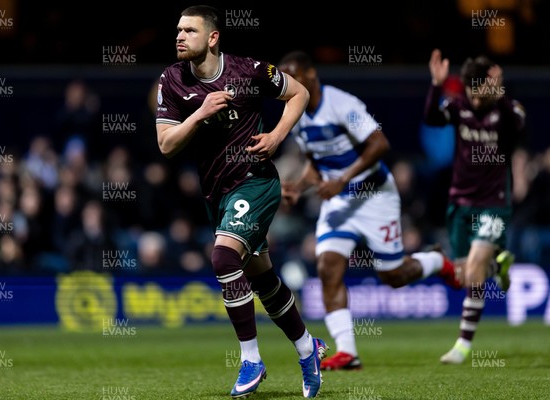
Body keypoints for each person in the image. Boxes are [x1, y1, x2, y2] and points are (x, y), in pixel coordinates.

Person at [155, 6, 327, 398]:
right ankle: (307, 348)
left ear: (212, 38)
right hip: (216, 192)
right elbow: (165, 144)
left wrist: (278, 136)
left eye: (189, 30)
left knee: (222, 258)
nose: (179, 36)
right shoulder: (172, 79)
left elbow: (298, 92)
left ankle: (251, 359)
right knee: (263, 280)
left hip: (256, 182)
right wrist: (199, 114)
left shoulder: (249, 70)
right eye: (178, 30)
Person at [277, 50, 462, 371]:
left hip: (374, 195)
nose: (286, 85)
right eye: (283, 79)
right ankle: (348, 352)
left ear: (310, 74)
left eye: (292, 77)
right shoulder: (295, 114)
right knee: (327, 266)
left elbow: (379, 144)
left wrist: (343, 180)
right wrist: (298, 186)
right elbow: (317, 164)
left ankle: (437, 261)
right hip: (339, 202)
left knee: (393, 275)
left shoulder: (342, 104)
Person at [425, 49, 525, 364]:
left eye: (485, 91)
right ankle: (499, 266)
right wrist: (436, 85)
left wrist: (499, 95)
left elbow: (518, 126)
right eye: (475, 91)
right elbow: (430, 118)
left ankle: (463, 345)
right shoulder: (458, 107)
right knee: (465, 275)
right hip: (460, 201)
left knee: (476, 263)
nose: (478, 98)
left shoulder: (507, 110)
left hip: (494, 202)